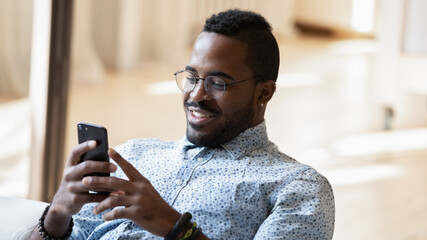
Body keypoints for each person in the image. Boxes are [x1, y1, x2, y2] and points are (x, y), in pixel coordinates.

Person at [31, 9, 335, 240]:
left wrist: (176, 228)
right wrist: (57, 211)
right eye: (192, 77)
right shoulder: (134, 155)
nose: (196, 95)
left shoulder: (297, 188)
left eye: (218, 83)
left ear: (264, 92)